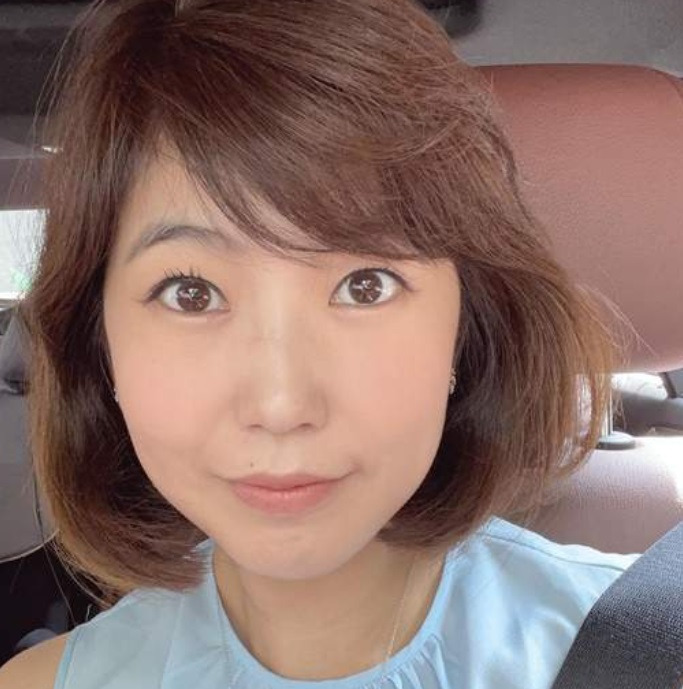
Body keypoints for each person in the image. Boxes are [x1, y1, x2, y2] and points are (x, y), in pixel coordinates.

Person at [0, 0, 640, 687]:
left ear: (465, 329)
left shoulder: (651, 648)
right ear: (102, 350)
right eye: (191, 293)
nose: (281, 405)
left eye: (365, 285)